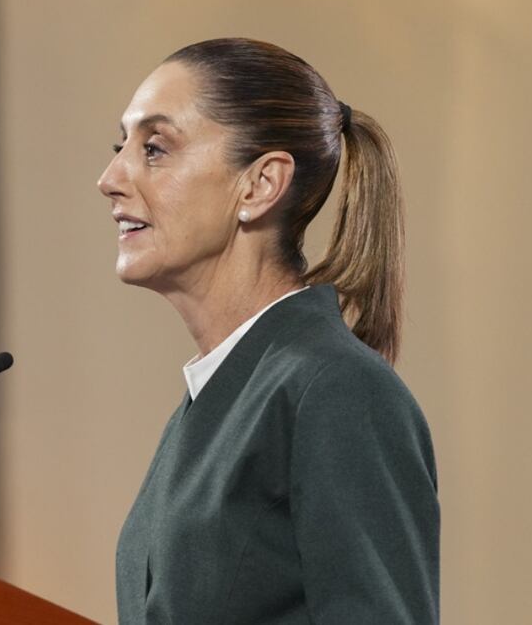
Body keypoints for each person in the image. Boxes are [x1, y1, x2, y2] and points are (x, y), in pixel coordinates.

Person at [98, 38, 439, 624]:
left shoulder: (334, 389)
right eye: (120, 146)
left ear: (259, 185)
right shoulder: (222, 393)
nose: (110, 178)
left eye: (154, 148)